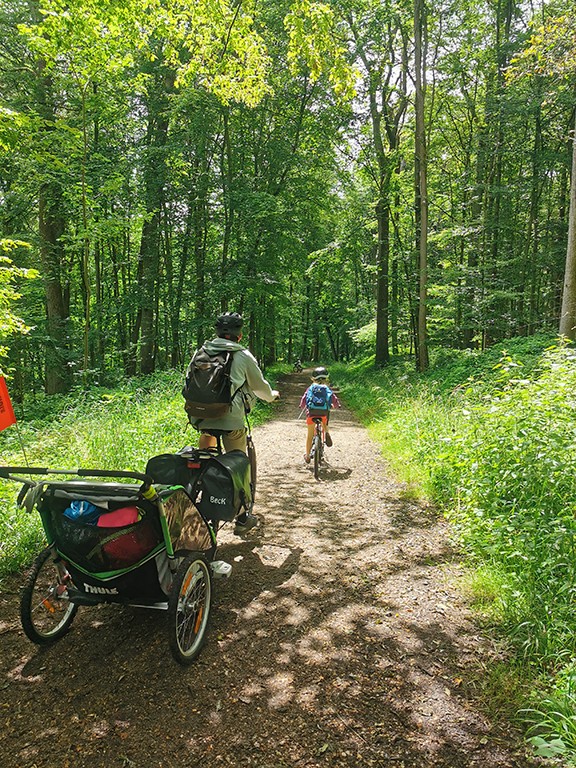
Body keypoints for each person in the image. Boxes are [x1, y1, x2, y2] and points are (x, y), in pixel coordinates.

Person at [186, 311, 279, 533]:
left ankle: (198, 485)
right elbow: (259, 387)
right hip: (231, 420)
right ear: (239, 334)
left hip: (200, 417)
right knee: (238, 464)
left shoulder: (201, 352)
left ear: (217, 332)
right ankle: (243, 518)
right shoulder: (243, 355)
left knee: (204, 457)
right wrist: (272, 395)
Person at [299, 366, 340, 464]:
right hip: (323, 413)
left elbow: (304, 398)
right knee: (324, 421)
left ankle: (308, 455)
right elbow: (333, 398)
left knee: (309, 435)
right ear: (326, 378)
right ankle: (327, 433)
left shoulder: (311, 388)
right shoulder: (326, 388)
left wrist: (302, 405)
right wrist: (337, 405)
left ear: (313, 378)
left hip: (312, 413)